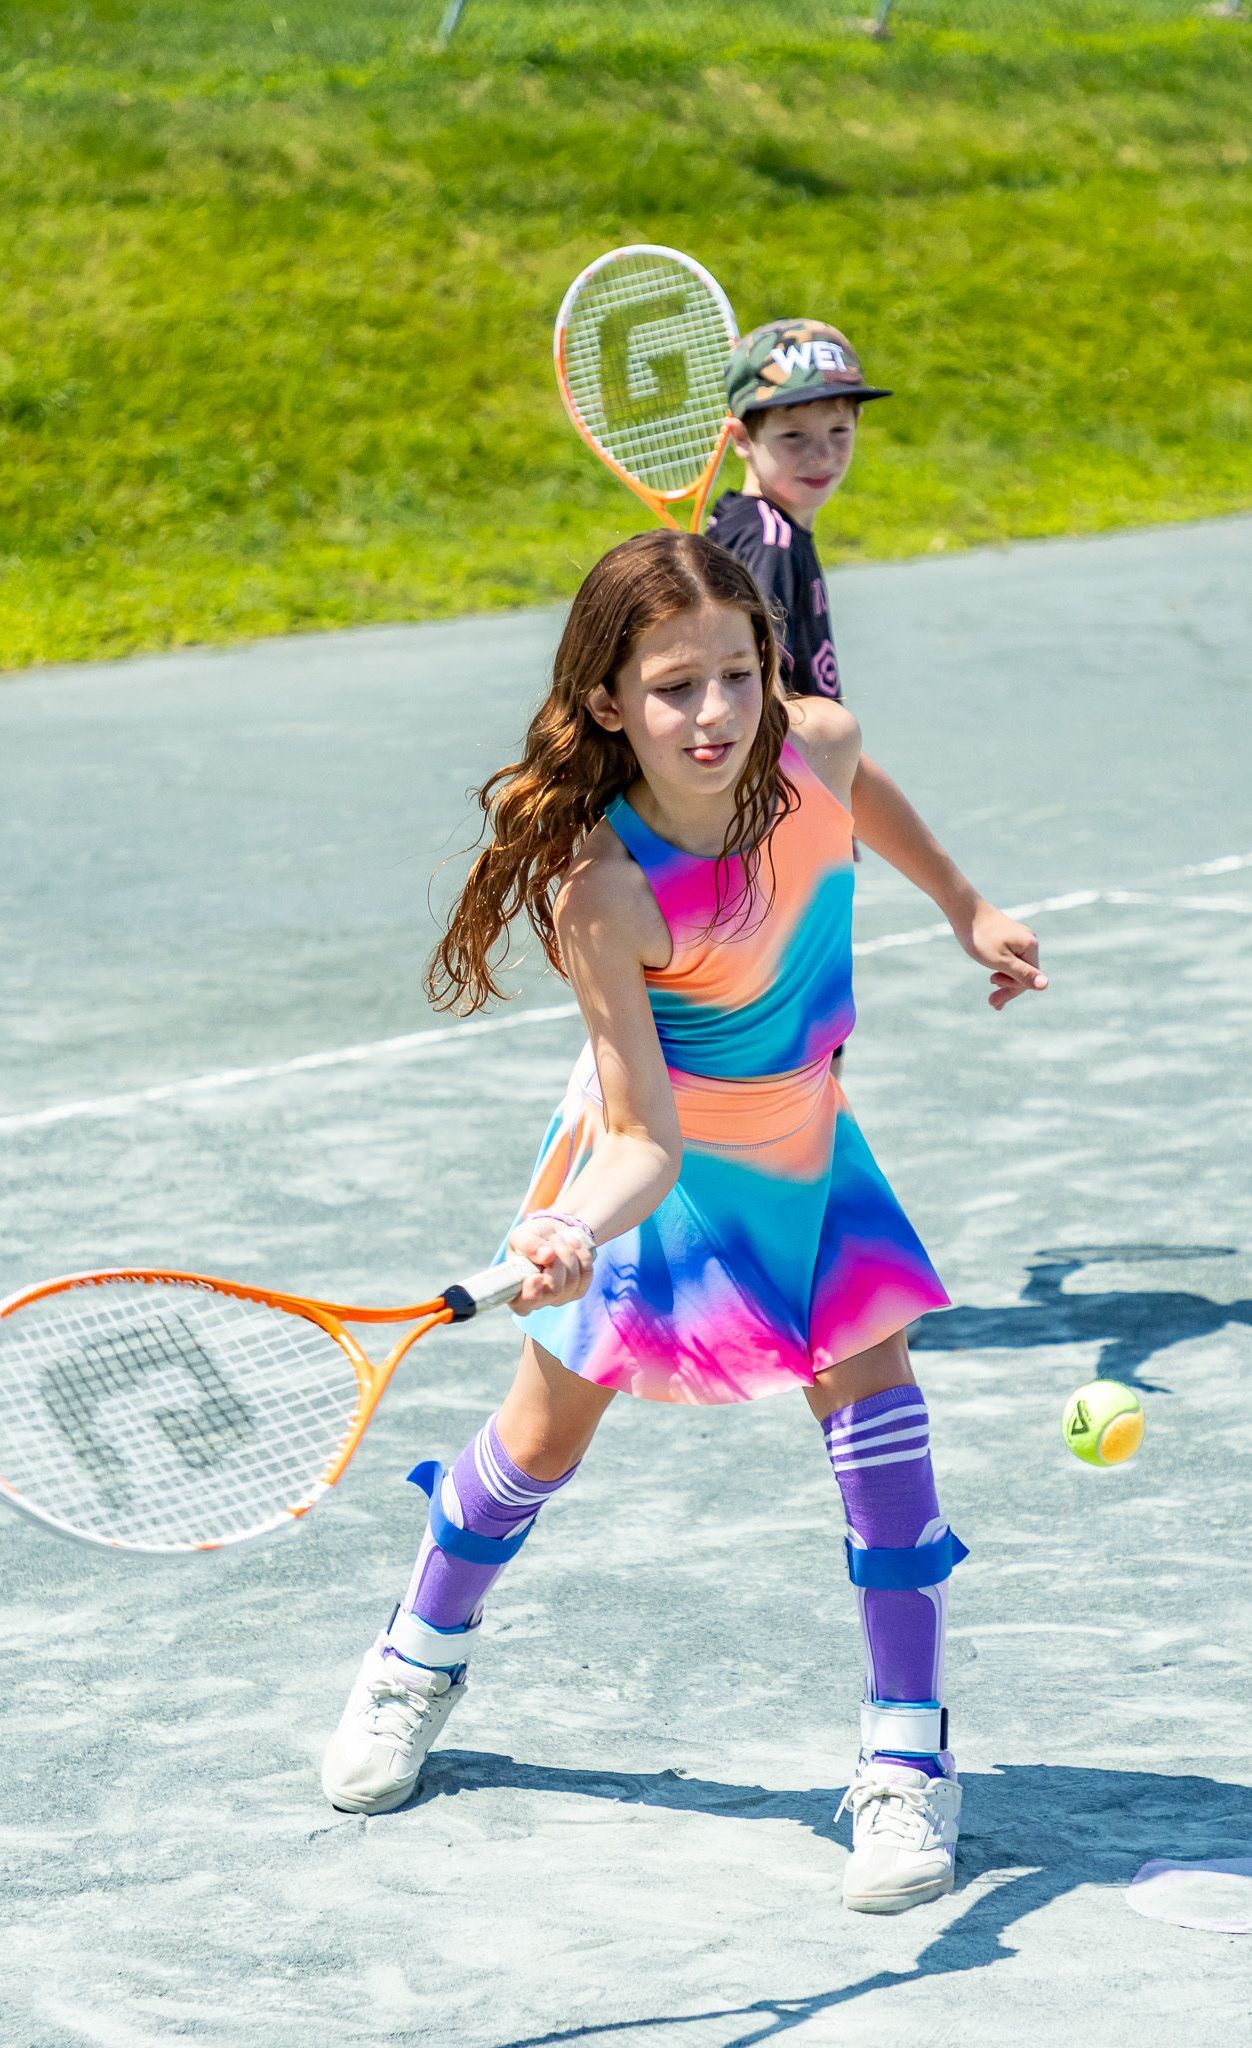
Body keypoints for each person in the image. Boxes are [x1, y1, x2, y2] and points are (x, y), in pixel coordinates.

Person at [321, 532, 1047, 1914]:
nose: (715, 715)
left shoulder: (807, 744)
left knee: (880, 1425)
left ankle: (908, 1751)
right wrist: (568, 1230)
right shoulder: (603, 890)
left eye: (738, 673)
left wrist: (962, 904)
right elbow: (641, 1135)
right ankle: (416, 1656)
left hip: (811, 1148)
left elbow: (851, 781)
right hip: (662, 1168)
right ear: (607, 704)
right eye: (672, 689)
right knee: (535, 1446)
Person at [706, 317, 887, 702]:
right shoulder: (770, 542)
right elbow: (759, 693)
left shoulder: (763, 526)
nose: (821, 455)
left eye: (838, 430)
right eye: (793, 436)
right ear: (741, 438)